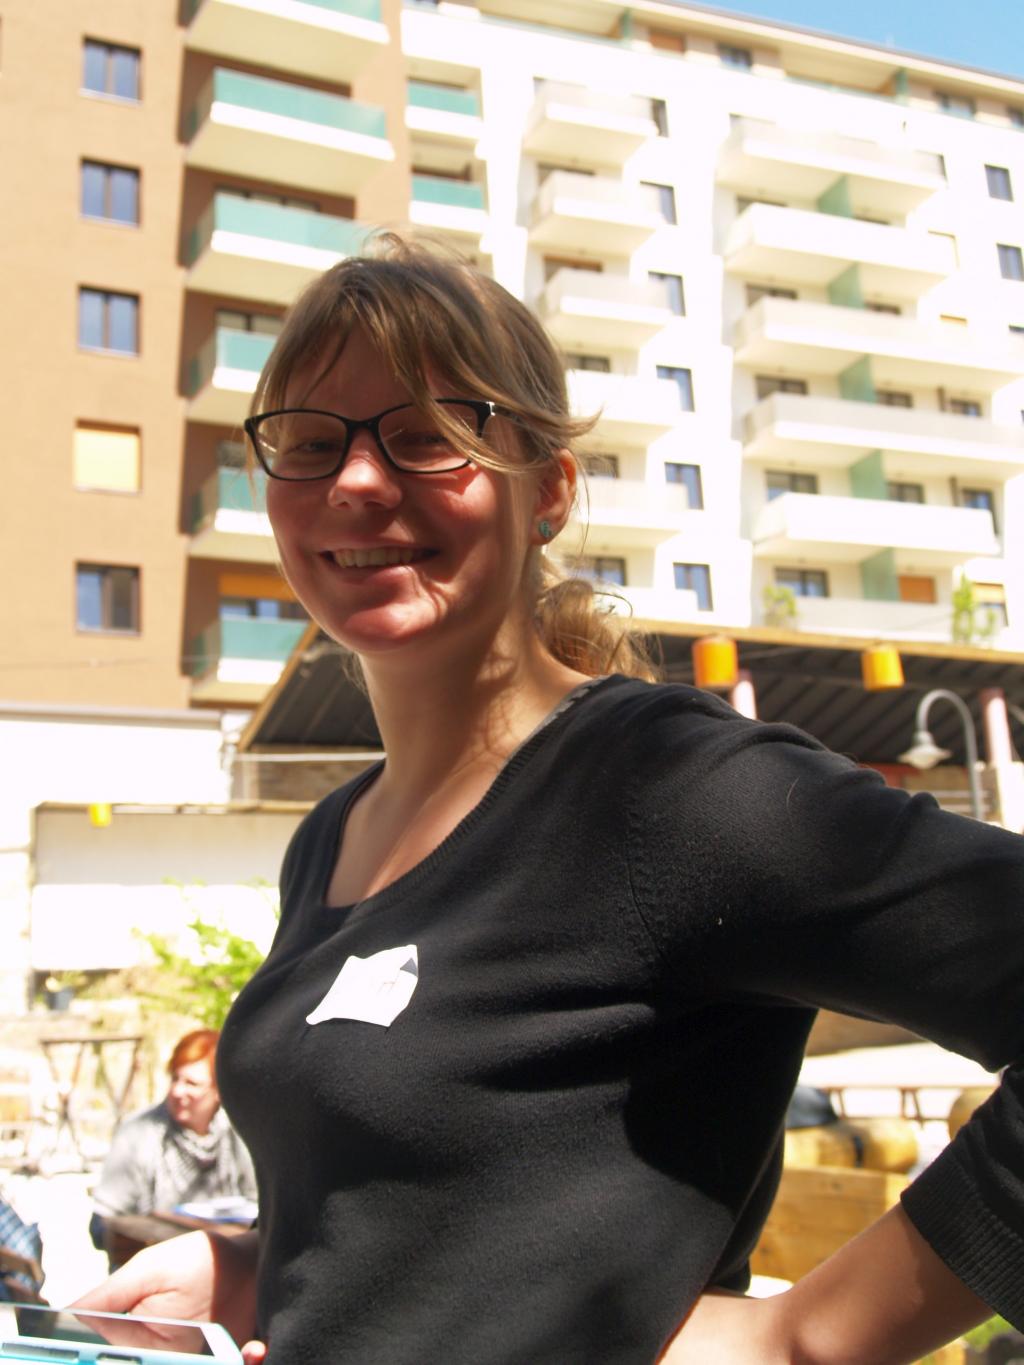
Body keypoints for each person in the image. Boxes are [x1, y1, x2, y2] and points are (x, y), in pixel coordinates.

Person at [75, 235, 1024, 1363]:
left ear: (551, 492)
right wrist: (253, 1267)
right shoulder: (330, 838)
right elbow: (457, 1199)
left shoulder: (670, 790)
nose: (357, 481)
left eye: (428, 434)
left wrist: (801, 1335)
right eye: (312, 442)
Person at [88, 1029, 256, 1261]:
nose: (177, 1091)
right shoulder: (139, 1133)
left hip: (226, 1261)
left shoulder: (237, 1134)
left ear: (219, 1090)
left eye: (192, 1084)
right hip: (154, 1262)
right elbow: (100, 1227)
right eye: (175, 1079)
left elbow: (257, 1205)